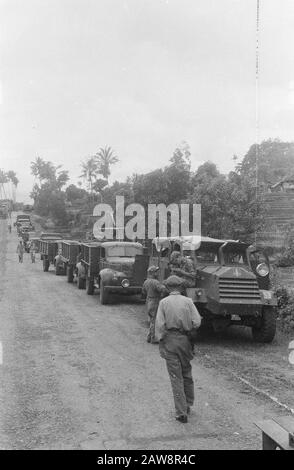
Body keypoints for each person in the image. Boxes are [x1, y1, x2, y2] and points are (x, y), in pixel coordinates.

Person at [155, 275, 202, 423]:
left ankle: (181, 412)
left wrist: (160, 340)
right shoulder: (188, 301)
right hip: (185, 341)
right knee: (186, 373)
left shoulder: (164, 302)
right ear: (181, 287)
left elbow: (160, 325)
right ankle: (188, 404)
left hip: (170, 340)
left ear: (168, 288)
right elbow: (197, 321)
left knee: (176, 377)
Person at [142, 266, 167, 344]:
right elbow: (163, 289)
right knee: (155, 320)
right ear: (153, 273)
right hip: (155, 301)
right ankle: (153, 338)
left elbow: (143, 292)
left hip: (149, 301)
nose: (158, 273)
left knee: (152, 320)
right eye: (156, 271)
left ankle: (149, 337)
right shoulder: (155, 282)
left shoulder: (146, 281)